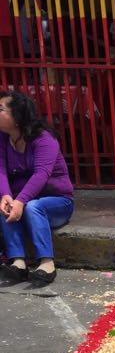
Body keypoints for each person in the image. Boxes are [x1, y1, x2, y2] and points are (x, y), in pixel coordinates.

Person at [0, 90, 74, 286]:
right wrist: (7, 195)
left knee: (34, 206)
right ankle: (17, 262)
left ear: (17, 116)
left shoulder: (44, 139)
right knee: (3, 206)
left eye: (0, 109)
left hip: (56, 202)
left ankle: (46, 263)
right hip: (21, 200)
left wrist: (20, 200)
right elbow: (1, 170)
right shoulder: (2, 138)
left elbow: (41, 174)